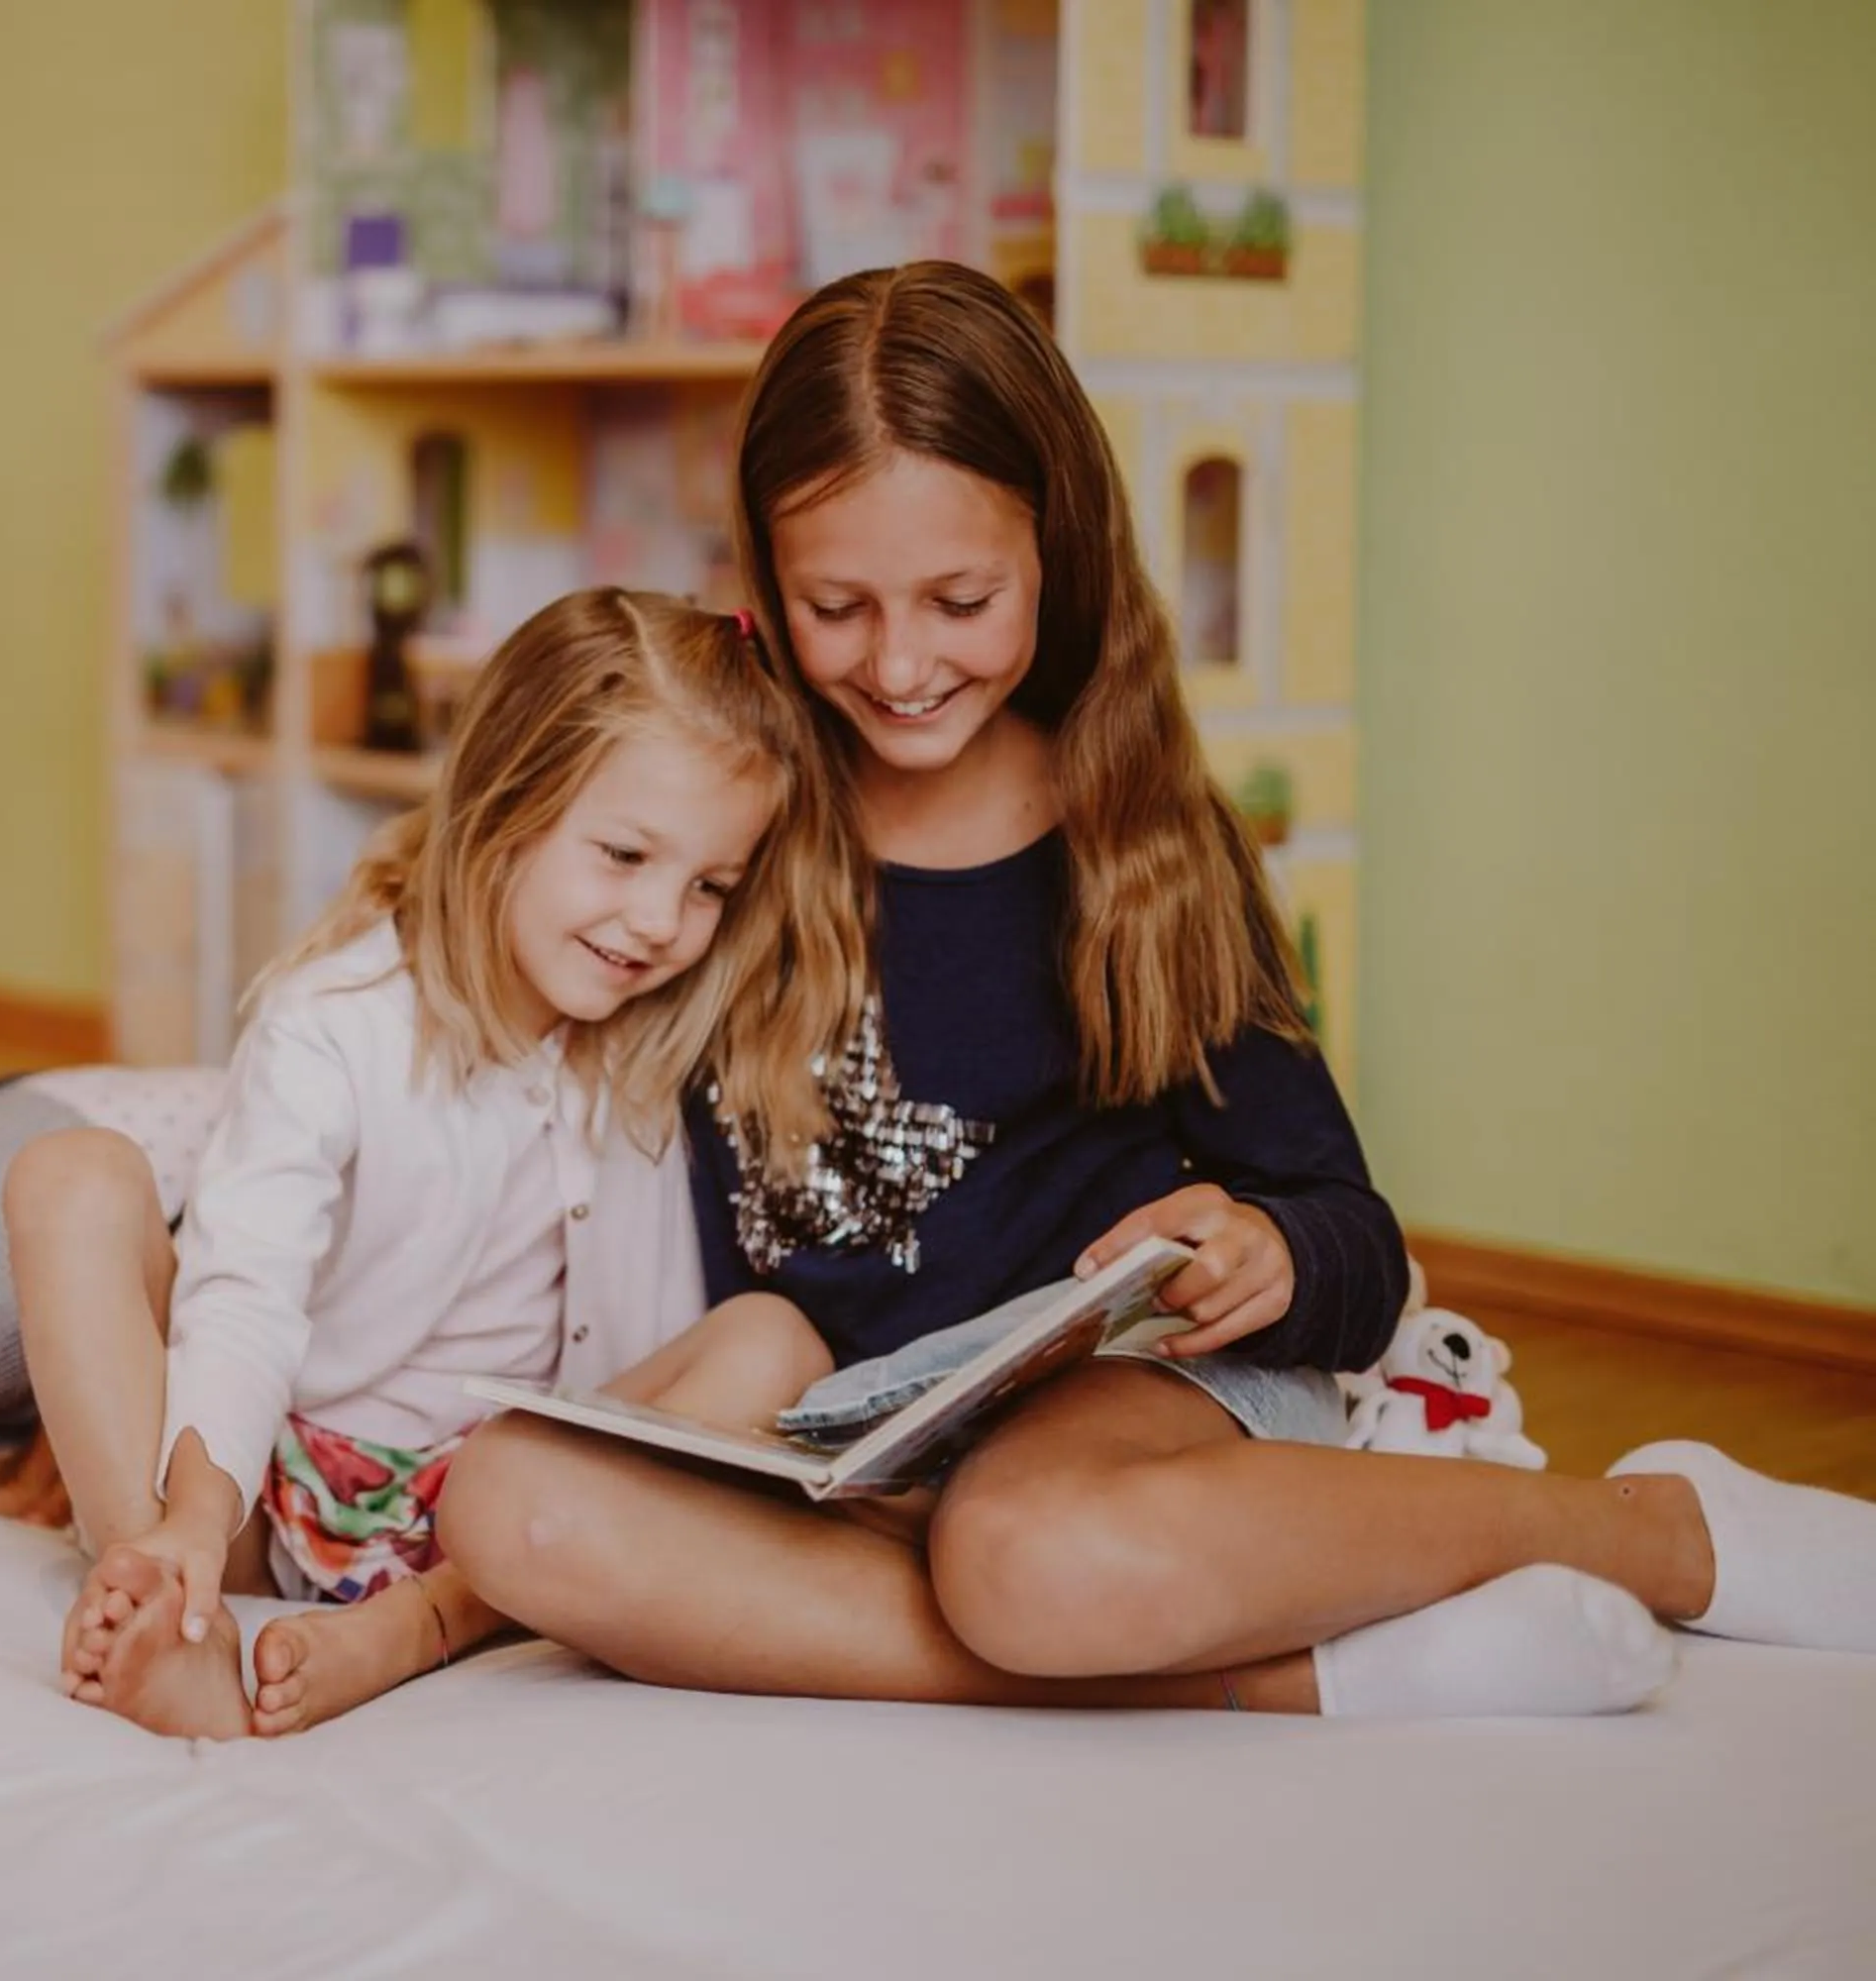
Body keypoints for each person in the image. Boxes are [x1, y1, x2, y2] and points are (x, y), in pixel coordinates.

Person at [435, 262, 1876, 1718]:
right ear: (764, 574)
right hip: (834, 1456)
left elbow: (1350, 1237)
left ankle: (1657, 1531)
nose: (905, 660)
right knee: (508, 1503)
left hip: (1112, 1418)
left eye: (958, 598)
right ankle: (1300, 1667)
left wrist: (1267, 1250)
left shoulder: (1137, 842)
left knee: (1021, 1555)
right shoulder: (722, 820)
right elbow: (486, 901)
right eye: (837, 607)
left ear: (1052, 550)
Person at [8, 585, 868, 1736]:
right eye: (622, 854)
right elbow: (245, 1294)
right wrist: (195, 1521)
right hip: (286, 1486)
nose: (662, 919)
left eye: (709, 884)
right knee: (67, 1178)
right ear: (504, 801)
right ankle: (177, 1607)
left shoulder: (659, 1037)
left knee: (773, 1339)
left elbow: (660, 1378)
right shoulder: (337, 1020)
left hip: (520, 1523)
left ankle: (421, 1627)